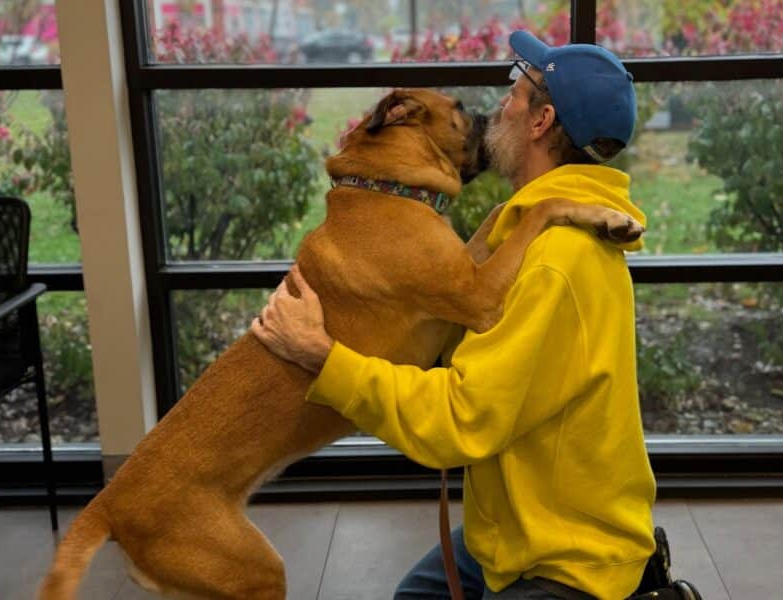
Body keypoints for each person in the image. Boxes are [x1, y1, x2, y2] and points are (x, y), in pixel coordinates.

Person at [252, 30, 655, 600]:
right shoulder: (524, 227)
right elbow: (464, 347)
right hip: (508, 530)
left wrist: (324, 358)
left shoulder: (557, 259)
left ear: (541, 122)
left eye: (517, 89)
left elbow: (463, 420)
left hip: (566, 558)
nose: (502, 101)